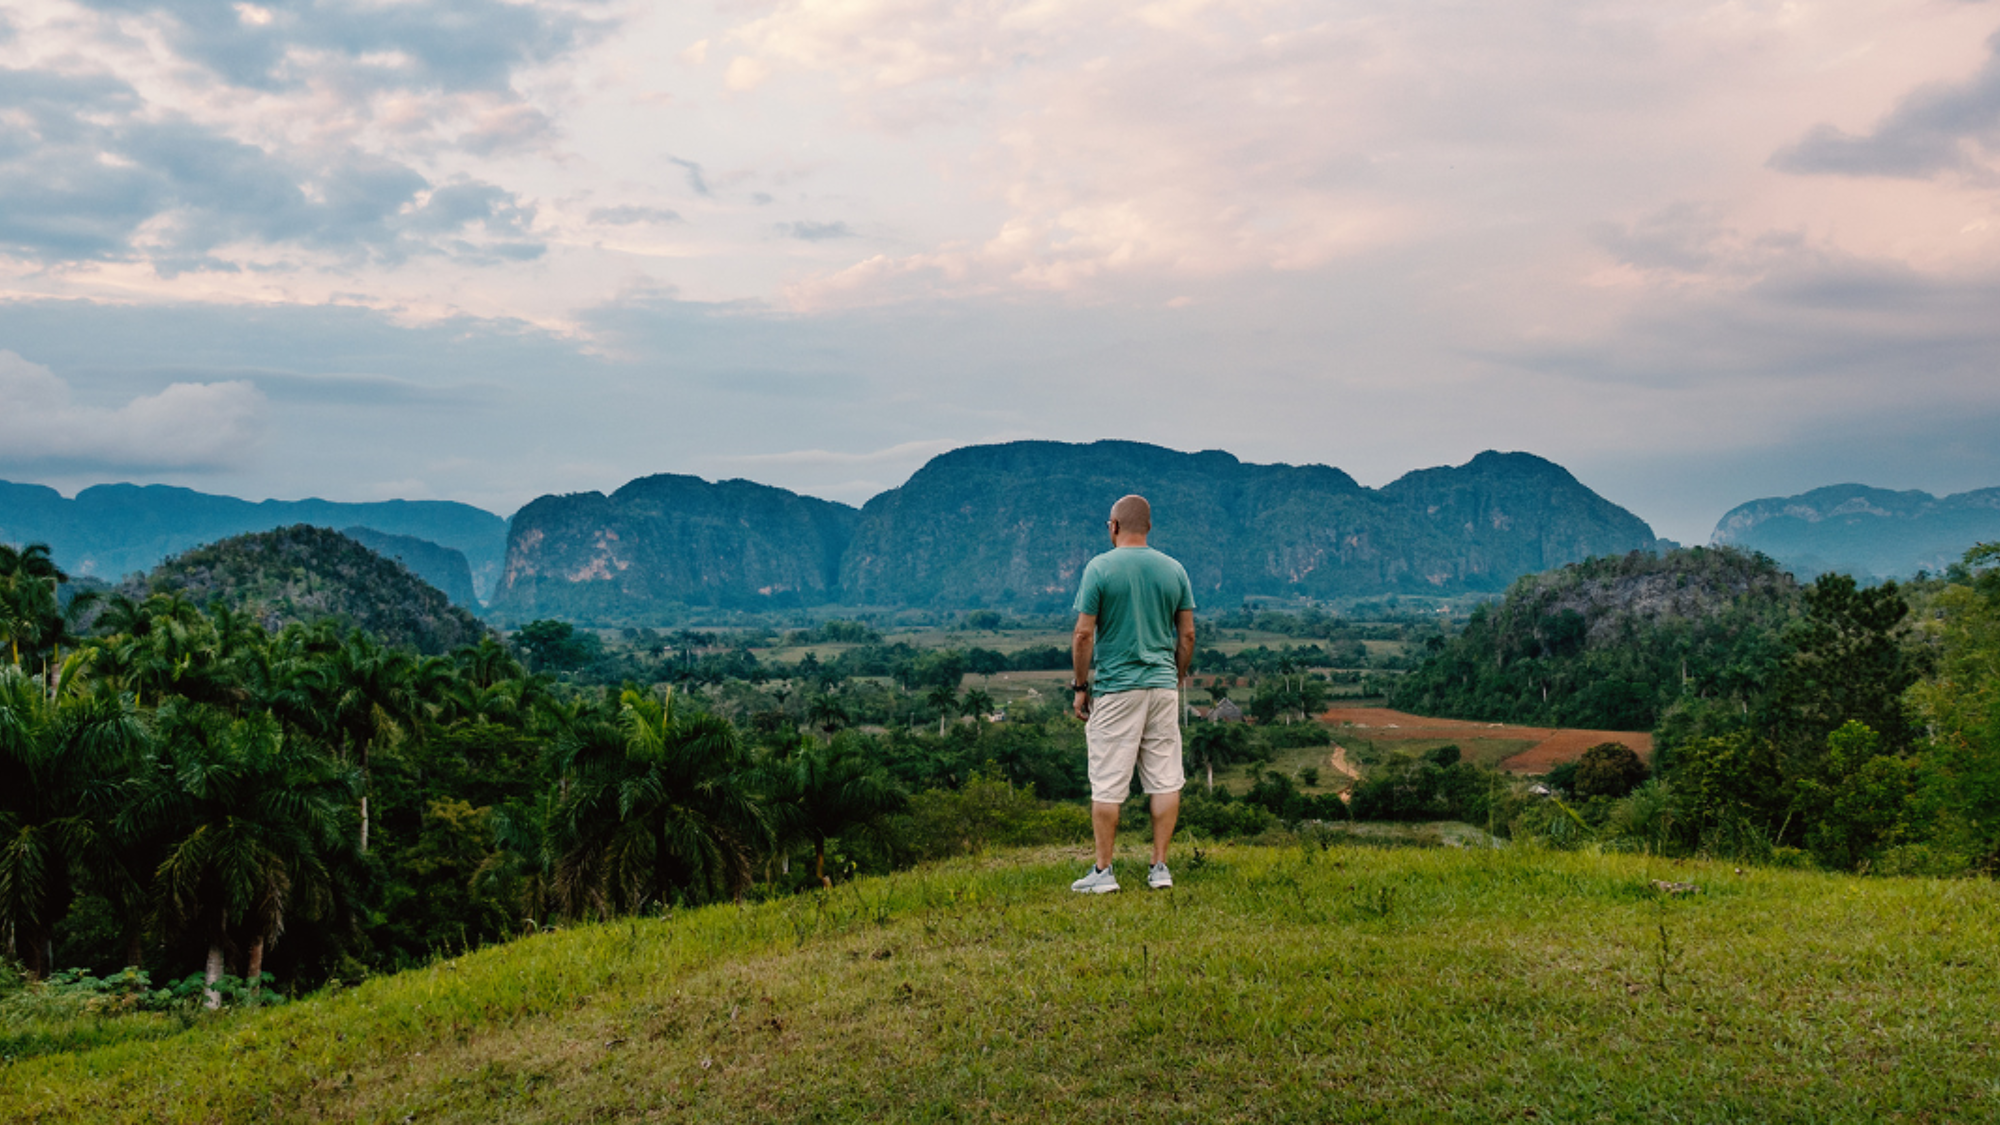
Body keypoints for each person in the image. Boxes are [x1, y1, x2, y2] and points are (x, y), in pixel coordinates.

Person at [1068, 494, 1196, 893]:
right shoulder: (1174, 569)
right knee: (1164, 777)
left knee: (1107, 781)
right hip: (1161, 685)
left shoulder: (1100, 568)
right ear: (1150, 527)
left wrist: (1080, 687)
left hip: (1117, 687)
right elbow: (1188, 634)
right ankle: (1160, 868)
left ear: (1113, 526)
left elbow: (1083, 634)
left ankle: (1104, 872)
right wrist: (1175, 677)